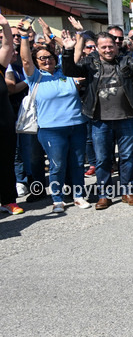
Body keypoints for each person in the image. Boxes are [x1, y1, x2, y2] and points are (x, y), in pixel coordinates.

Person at [62, 31, 133, 209]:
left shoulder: (126, 60)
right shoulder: (89, 62)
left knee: (126, 158)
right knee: (102, 159)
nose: (108, 50)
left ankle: (128, 192)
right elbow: (69, 70)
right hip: (100, 120)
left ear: (116, 46)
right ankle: (104, 195)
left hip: (126, 118)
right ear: (97, 48)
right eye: (104, 47)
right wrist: (68, 51)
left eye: (111, 46)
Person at [16, 22, 89, 212]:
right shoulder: (35, 77)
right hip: (50, 130)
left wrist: (79, 34)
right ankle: (58, 199)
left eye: (49, 57)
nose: (46, 61)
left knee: (78, 163)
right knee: (57, 165)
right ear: (36, 61)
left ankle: (79, 195)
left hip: (77, 125)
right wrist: (24, 37)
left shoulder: (66, 72)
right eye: (41, 58)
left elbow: (77, 52)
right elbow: (25, 60)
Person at [0, 15, 21, 215]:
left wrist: (5, 25)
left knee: (6, 162)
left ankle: (8, 200)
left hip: (4, 123)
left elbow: (7, 45)